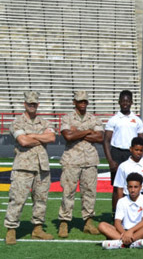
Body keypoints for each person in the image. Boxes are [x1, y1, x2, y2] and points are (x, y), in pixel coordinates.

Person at [4, 91, 56, 244]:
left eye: (34, 104)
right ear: (24, 104)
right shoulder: (17, 122)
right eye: (29, 104)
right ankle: (11, 230)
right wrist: (41, 137)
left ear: (37, 105)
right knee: (17, 199)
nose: (32, 106)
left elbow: (52, 138)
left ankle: (37, 229)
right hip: (23, 166)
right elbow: (23, 142)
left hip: (42, 166)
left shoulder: (44, 122)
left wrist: (31, 135)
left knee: (41, 199)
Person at [58, 90, 104, 238]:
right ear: (74, 102)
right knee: (68, 192)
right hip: (71, 160)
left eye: (85, 101)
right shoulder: (67, 118)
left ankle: (88, 222)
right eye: (80, 101)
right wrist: (88, 132)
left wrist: (78, 132)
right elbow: (68, 136)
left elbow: (100, 138)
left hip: (90, 161)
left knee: (89, 192)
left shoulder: (94, 119)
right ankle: (64, 222)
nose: (83, 104)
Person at [103, 90, 143, 211]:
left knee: (134, 185)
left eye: (127, 101)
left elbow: (142, 141)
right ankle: (115, 213)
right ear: (119, 102)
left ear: (131, 102)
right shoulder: (113, 119)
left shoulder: (137, 120)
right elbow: (106, 141)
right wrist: (110, 160)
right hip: (117, 153)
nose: (125, 103)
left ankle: (133, 212)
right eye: (123, 101)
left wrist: (142, 157)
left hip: (132, 154)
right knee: (117, 187)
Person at [99, 173, 143, 250]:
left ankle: (120, 243)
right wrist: (125, 233)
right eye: (130, 187)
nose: (133, 190)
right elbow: (117, 222)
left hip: (139, 231)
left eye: (136, 187)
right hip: (123, 231)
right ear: (127, 187)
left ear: (140, 187)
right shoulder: (121, 201)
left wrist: (131, 231)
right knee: (102, 225)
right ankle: (132, 243)